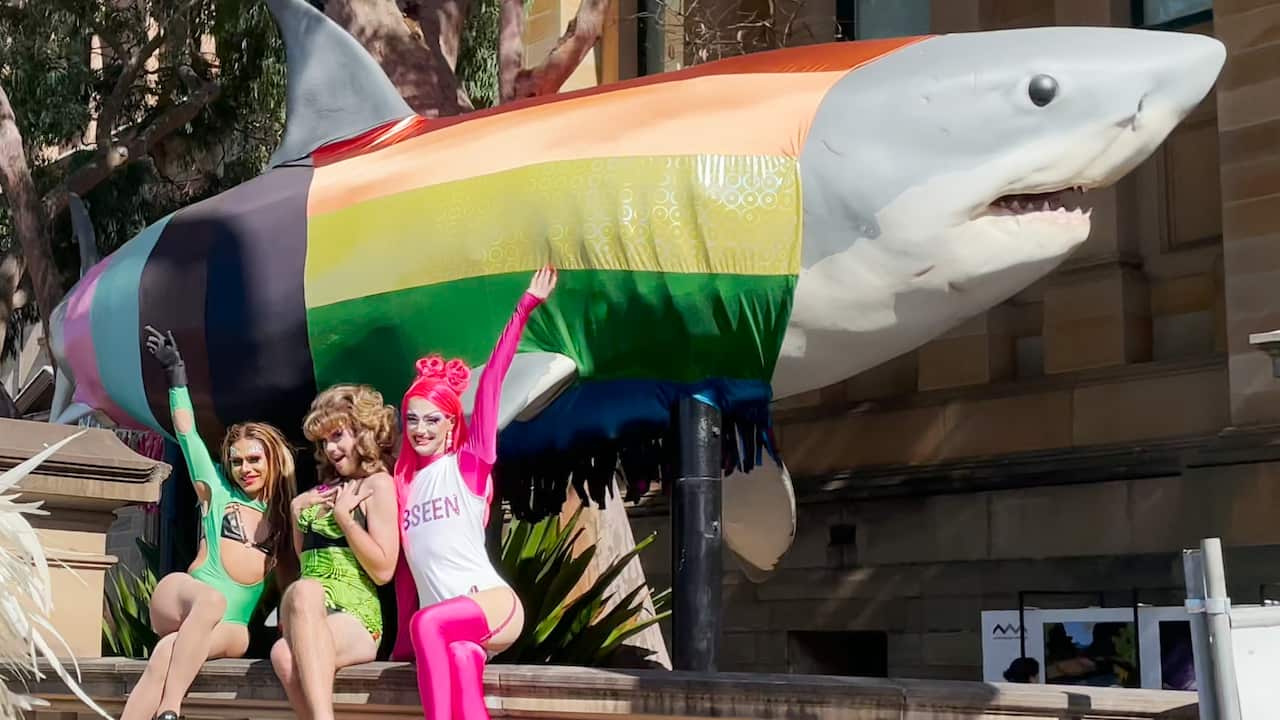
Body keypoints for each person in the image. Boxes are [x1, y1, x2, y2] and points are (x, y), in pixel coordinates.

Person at [391, 265, 557, 720]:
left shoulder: (468, 463)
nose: (420, 429)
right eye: (412, 418)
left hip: (490, 604)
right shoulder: (401, 485)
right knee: (462, 667)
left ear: (451, 425)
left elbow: (491, 385)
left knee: (427, 621)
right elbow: (407, 571)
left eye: (432, 419)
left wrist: (524, 308)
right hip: (451, 633)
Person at [124, 326, 297, 720]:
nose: (244, 468)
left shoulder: (285, 524)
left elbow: (289, 586)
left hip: (230, 627)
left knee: (169, 652)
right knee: (212, 599)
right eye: (237, 461)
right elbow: (187, 434)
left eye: (254, 459)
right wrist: (176, 375)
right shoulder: (217, 493)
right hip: (183, 596)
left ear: (272, 461)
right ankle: (171, 710)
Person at [270, 385, 400, 720]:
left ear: (364, 433)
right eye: (324, 441)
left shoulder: (377, 485)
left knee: (302, 591)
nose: (330, 448)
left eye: (338, 435)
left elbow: (384, 570)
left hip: (356, 619)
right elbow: (307, 562)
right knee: (282, 654)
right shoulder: (319, 493)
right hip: (309, 617)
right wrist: (298, 514)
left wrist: (346, 520)